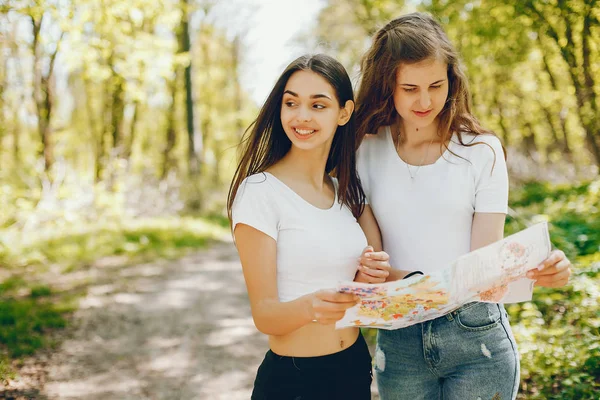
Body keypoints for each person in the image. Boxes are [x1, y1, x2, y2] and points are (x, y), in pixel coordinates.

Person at [352, 12, 572, 400]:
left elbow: (484, 264)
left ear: (451, 80)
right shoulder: (364, 150)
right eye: (410, 88)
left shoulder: (480, 151)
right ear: (388, 85)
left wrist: (536, 270)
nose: (425, 100)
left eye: (436, 85)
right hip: (400, 339)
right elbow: (374, 266)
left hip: (477, 338)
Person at [226, 53, 389, 400]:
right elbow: (265, 316)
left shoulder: (346, 193)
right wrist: (309, 306)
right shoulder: (260, 191)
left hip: (354, 368)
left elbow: (361, 292)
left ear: (343, 113)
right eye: (291, 103)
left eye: (318, 105)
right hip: (294, 382)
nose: (302, 116)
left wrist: (368, 278)